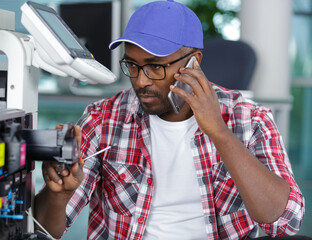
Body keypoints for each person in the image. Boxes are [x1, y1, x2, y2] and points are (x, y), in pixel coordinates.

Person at [34, 1, 305, 239]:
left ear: (193, 62)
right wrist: (59, 195)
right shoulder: (103, 118)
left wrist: (220, 133)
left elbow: (285, 221)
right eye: (132, 65)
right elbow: (44, 229)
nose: (141, 81)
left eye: (156, 66)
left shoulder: (250, 119)